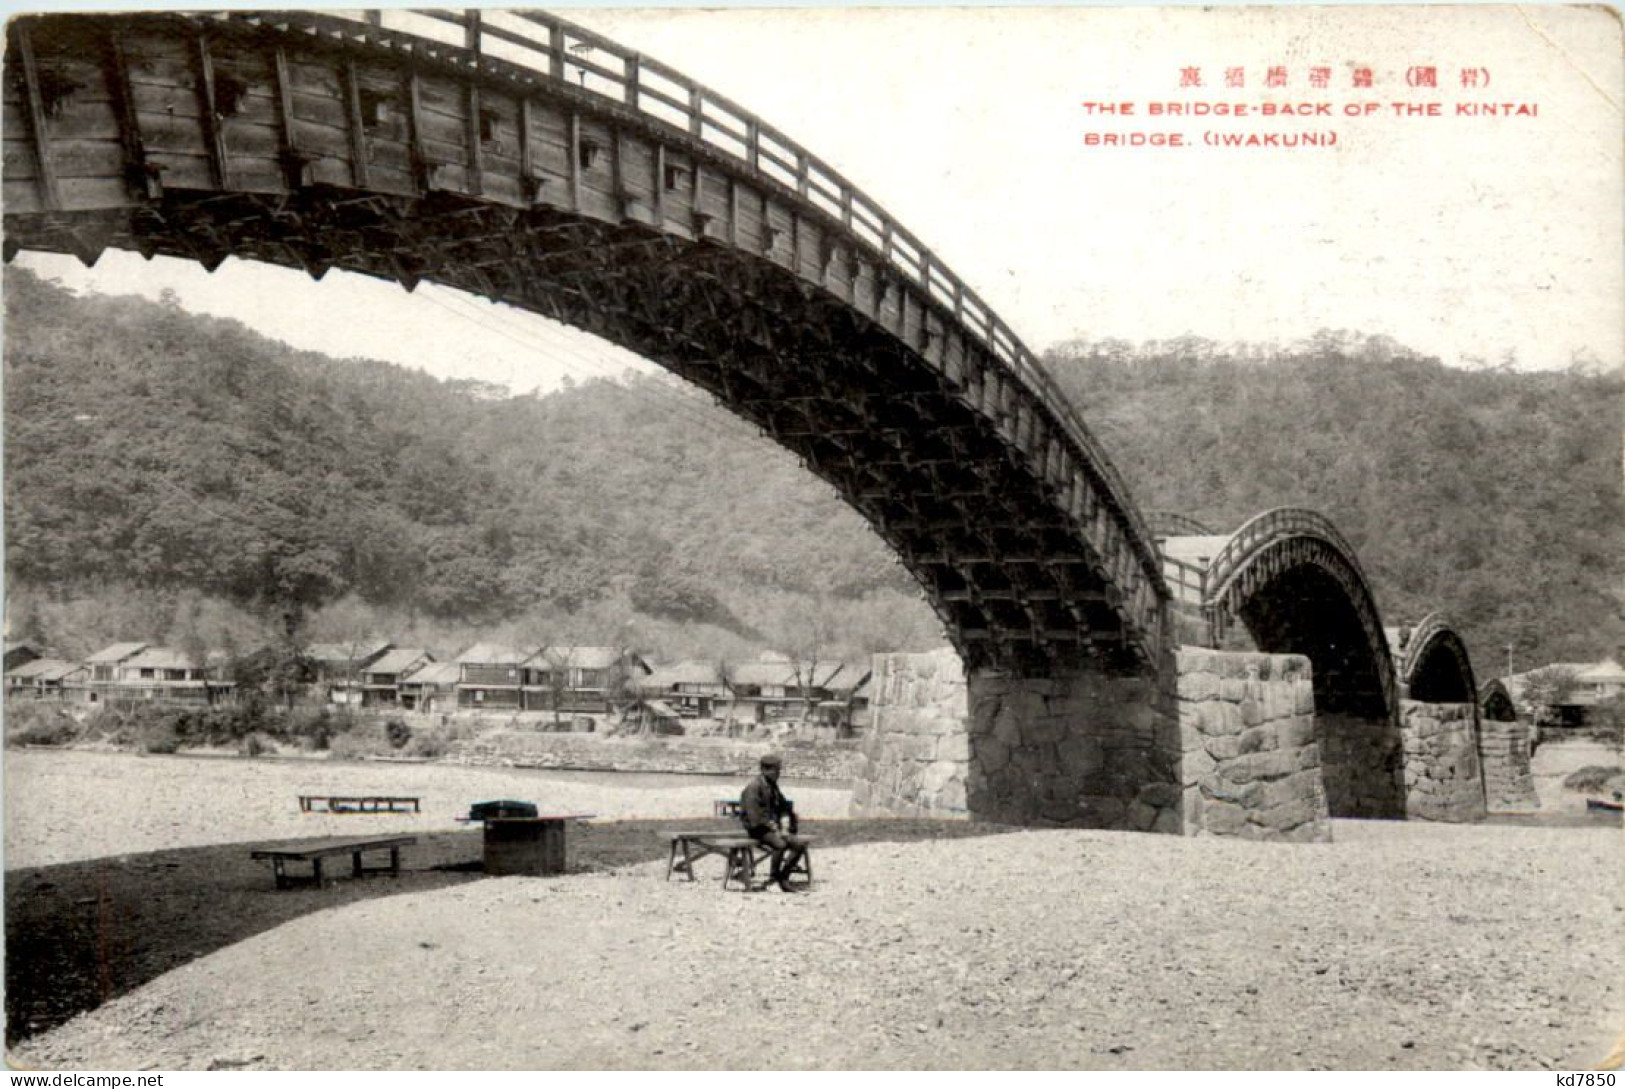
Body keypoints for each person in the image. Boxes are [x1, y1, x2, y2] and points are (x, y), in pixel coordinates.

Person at [739, 752, 808, 893]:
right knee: (780, 845)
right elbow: (754, 817)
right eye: (776, 770)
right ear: (765, 770)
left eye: (779, 770)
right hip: (757, 829)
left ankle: (783, 878)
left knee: (799, 845)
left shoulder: (772, 785)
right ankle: (773, 879)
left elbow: (783, 805)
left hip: (771, 828)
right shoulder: (754, 787)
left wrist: (788, 820)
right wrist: (774, 828)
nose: (778, 773)